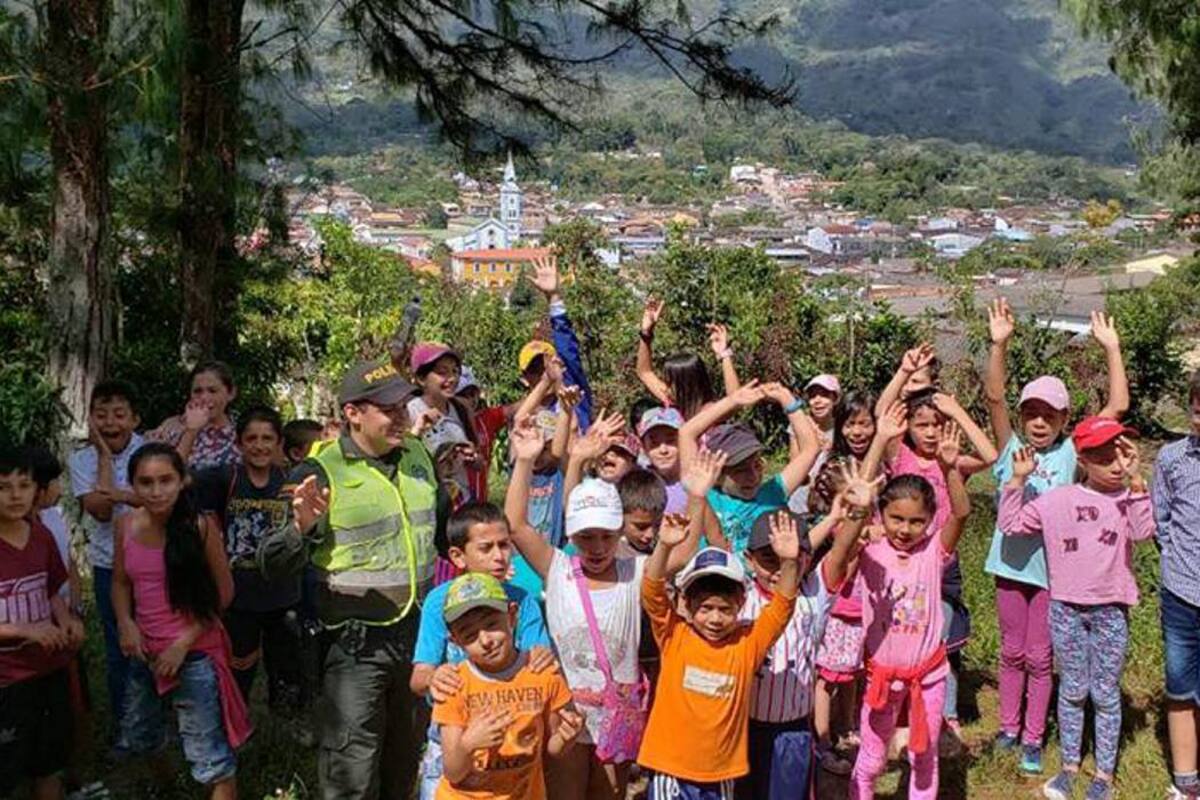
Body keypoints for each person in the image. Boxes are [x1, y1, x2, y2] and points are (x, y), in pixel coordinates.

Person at [258, 358, 447, 800]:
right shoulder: (318, 471)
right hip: (354, 645)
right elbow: (271, 564)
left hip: (418, 637)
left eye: (404, 405)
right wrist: (298, 531)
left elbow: (443, 532)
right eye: (388, 409)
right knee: (352, 770)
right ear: (353, 413)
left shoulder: (418, 456)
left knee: (405, 757)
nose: (402, 416)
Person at [505, 416, 704, 800]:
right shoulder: (557, 567)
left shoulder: (636, 572)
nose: (596, 547)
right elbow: (516, 524)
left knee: (609, 794)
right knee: (566, 792)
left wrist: (696, 496)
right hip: (566, 712)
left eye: (606, 537)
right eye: (586, 537)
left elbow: (684, 551)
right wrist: (525, 462)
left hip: (618, 713)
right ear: (572, 535)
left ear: (619, 533)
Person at [999, 418, 1154, 800]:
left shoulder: (1128, 498)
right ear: (1082, 459)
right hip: (1065, 608)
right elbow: (1010, 523)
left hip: (1110, 610)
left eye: (1122, 455)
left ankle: (1104, 773)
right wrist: (1017, 480)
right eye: (1105, 457)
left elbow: (1144, 533)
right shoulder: (1057, 501)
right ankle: (1069, 765)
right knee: (1071, 690)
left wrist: (1136, 485)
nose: (1117, 465)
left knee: (1104, 693)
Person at [824, 426, 972, 800]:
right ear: (882, 515)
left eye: (916, 521)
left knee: (924, 754)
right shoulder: (870, 550)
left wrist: (951, 469)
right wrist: (859, 510)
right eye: (896, 519)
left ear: (930, 520)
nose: (905, 529)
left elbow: (962, 513)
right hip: (881, 679)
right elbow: (839, 558)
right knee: (872, 757)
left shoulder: (933, 552)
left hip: (929, 675)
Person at [112, 443, 251, 799]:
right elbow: (121, 582)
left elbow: (224, 593)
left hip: (195, 655)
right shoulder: (125, 525)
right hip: (145, 652)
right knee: (141, 735)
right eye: (145, 482)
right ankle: (167, 788)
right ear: (133, 486)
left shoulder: (200, 527)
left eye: (165, 480)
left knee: (211, 759)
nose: (156, 491)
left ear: (182, 481)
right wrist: (126, 623)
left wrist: (183, 642)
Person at [867, 384, 998, 752]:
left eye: (937, 424)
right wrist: (904, 374)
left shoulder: (952, 460)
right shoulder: (901, 456)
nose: (930, 432)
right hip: (902, 566)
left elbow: (992, 455)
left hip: (942, 566)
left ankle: (946, 716)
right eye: (922, 424)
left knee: (944, 643)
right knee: (903, 638)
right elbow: (882, 415)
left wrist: (957, 412)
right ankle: (903, 717)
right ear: (908, 427)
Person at [636, 511, 802, 799]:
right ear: (686, 605)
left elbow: (782, 607)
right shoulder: (675, 635)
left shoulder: (747, 644)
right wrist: (663, 546)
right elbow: (652, 592)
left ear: (741, 604)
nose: (715, 619)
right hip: (671, 770)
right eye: (705, 608)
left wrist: (789, 562)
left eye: (725, 610)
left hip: (721, 773)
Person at [411, 502, 554, 800]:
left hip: (511, 744)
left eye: (504, 545)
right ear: (457, 556)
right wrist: (434, 677)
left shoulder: (522, 600)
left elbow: (538, 659)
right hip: (450, 741)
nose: (499, 556)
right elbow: (419, 676)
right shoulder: (440, 601)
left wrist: (542, 657)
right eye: (486, 548)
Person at [431, 572, 585, 800]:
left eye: (492, 624)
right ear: (456, 641)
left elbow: (552, 750)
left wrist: (566, 736)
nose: (485, 640)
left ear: (512, 616)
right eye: (469, 634)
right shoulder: (454, 685)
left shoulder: (543, 674)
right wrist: (468, 743)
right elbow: (453, 772)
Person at [194, 406, 303, 715]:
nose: (259, 445)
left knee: (284, 667)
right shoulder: (222, 479)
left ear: (279, 442)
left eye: (267, 438)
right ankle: (235, 724)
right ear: (238, 444)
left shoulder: (291, 481)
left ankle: (284, 728)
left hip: (283, 594)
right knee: (239, 666)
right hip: (238, 595)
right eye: (251, 438)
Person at [736, 507, 840, 800]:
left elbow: (842, 552)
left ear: (806, 559)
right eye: (769, 560)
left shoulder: (814, 595)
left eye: (791, 560)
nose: (780, 569)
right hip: (743, 728)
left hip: (793, 730)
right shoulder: (739, 597)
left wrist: (851, 515)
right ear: (749, 560)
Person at [0, 447, 85, 800]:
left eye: (24, 484)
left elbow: (52, 590)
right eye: (4, 486)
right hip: (6, 680)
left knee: (49, 762)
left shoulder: (41, 534)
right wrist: (24, 629)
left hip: (49, 668)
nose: (16, 494)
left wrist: (67, 619)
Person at [68, 378, 144, 735]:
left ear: (135, 419)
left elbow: (161, 499)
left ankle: (157, 717)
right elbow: (98, 510)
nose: (110, 423)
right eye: (101, 415)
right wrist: (102, 455)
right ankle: (126, 724)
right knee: (119, 647)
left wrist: (117, 494)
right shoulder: (81, 458)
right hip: (105, 565)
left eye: (119, 414)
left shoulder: (149, 452)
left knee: (155, 639)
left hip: (150, 563)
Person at [680, 380, 823, 555]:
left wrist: (788, 401)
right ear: (717, 474)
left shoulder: (772, 493)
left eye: (756, 465)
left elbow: (810, 449)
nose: (753, 475)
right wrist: (733, 401)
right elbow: (686, 433)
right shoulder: (703, 495)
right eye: (740, 470)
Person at [1154, 370, 1200, 800]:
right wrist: (1175, 561)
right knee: (1181, 687)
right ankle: (1186, 782)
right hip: (1182, 593)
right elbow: (1162, 520)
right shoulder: (1172, 458)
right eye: (1198, 411)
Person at [809, 457, 862, 776]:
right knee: (826, 680)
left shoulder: (868, 523)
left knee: (851, 674)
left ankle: (847, 727)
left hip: (858, 615)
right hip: (838, 616)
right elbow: (842, 573)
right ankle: (823, 739)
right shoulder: (839, 531)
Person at [636, 297, 740, 420]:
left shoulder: (709, 412)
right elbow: (644, 372)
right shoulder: (672, 403)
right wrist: (646, 332)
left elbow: (736, 400)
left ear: (685, 385)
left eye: (669, 382)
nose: (665, 388)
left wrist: (724, 353)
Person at [408, 342, 480, 505]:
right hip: (430, 505)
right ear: (421, 379)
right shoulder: (410, 412)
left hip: (462, 502)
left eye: (455, 371)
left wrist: (472, 457)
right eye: (442, 372)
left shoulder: (462, 408)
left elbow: (479, 461)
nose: (452, 378)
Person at [148, 360, 241, 470]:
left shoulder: (241, 431)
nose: (204, 398)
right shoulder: (173, 429)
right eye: (198, 391)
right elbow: (167, 474)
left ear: (231, 393)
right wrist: (191, 431)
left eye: (212, 391)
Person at [637, 407, 688, 514]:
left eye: (670, 441)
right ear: (643, 447)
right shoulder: (637, 483)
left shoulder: (695, 481)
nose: (663, 450)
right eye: (654, 443)